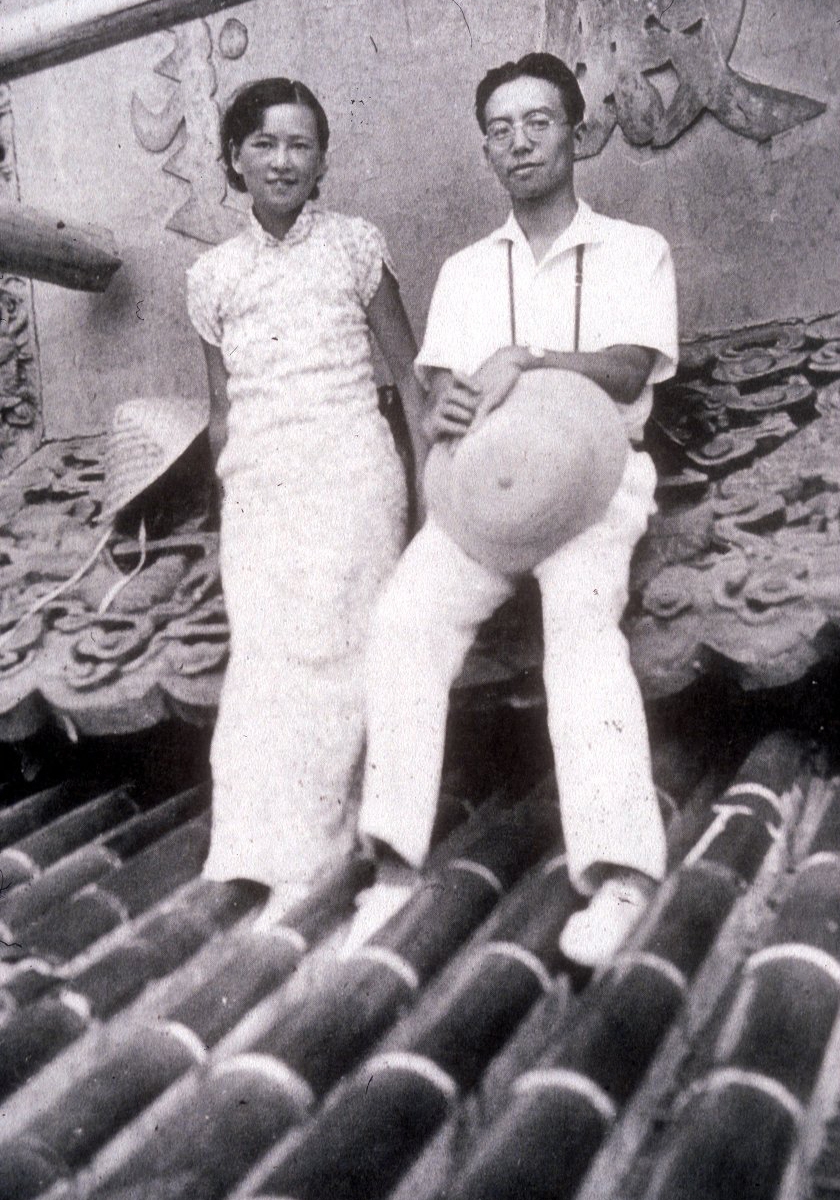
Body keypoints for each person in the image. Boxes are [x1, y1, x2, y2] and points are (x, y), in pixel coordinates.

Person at [354, 53, 678, 967]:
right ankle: (391, 870)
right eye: (500, 129)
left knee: (581, 630)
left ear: (576, 132)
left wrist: (528, 360)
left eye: (538, 122)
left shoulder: (633, 249)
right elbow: (440, 395)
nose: (519, 142)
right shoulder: (464, 270)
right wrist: (445, 405)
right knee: (404, 618)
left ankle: (618, 872)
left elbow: (627, 368)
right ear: (486, 150)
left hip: (595, 477)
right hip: (489, 488)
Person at [186, 78, 425, 922]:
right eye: (265, 144)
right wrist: (228, 498)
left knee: (349, 658)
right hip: (260, 486)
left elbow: (408, 376)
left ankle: (338, 858)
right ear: (234, 159)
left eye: (301, 145)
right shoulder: (211, 276)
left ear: (322, 159)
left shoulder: (357, 247)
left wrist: (430, 487)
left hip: (355, 474)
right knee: (267, 663)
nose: (283, 160)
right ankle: (260, 855)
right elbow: (223, 408)